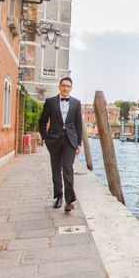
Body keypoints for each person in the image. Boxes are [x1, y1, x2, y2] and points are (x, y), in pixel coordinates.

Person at [39, 77, 83, 211]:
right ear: (59, 87)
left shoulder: (76, 103)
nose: (65, 88)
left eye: (68, 86)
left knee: (68, 168)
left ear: (71, 88)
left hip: (70, 140)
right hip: (54, 140)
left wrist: (79, 143)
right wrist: (45, 137)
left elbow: (78, 124)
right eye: (63, 85)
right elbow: (42, 121)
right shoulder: (50, 102)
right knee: (56, 169)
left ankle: (69, 201)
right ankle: (58, 196)